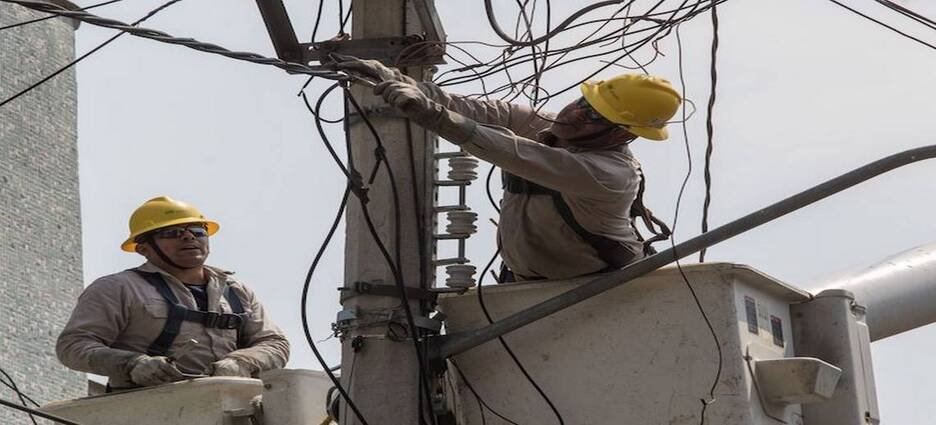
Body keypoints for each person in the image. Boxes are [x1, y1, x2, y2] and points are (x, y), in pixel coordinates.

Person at [336, 58, 680, 281]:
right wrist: (404, 82)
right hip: (526, 286)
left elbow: (514, 152)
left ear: (622, 133)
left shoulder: (611, 174)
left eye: (594, 116)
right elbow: (487, 112)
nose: (573, 114)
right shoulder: (552, 127)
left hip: (603, 290)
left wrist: (432, 114)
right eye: (584, 102)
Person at [57, 196, 289, 390]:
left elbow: (274, 342)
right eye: (172, 232)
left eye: (198, 230)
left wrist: (241, 363)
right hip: (145, 409)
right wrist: (133, 364)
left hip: (228, 404)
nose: (189, 237)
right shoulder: (119, 288)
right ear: (144, 249)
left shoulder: (236, 292)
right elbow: (73, 346)